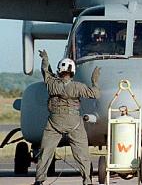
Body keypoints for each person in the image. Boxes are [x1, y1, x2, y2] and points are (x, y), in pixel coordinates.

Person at [34, 50, 100, 185]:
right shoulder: (78, 87)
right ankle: (87, 180)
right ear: (73, 72)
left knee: (45, 152)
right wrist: (95, 81)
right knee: (82, 154)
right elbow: (95, 94)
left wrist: (45, 59)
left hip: (54, 122)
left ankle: (39, 180)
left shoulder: (52, 84)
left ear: (60, 70)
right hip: (74, 123)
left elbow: (46, 72)